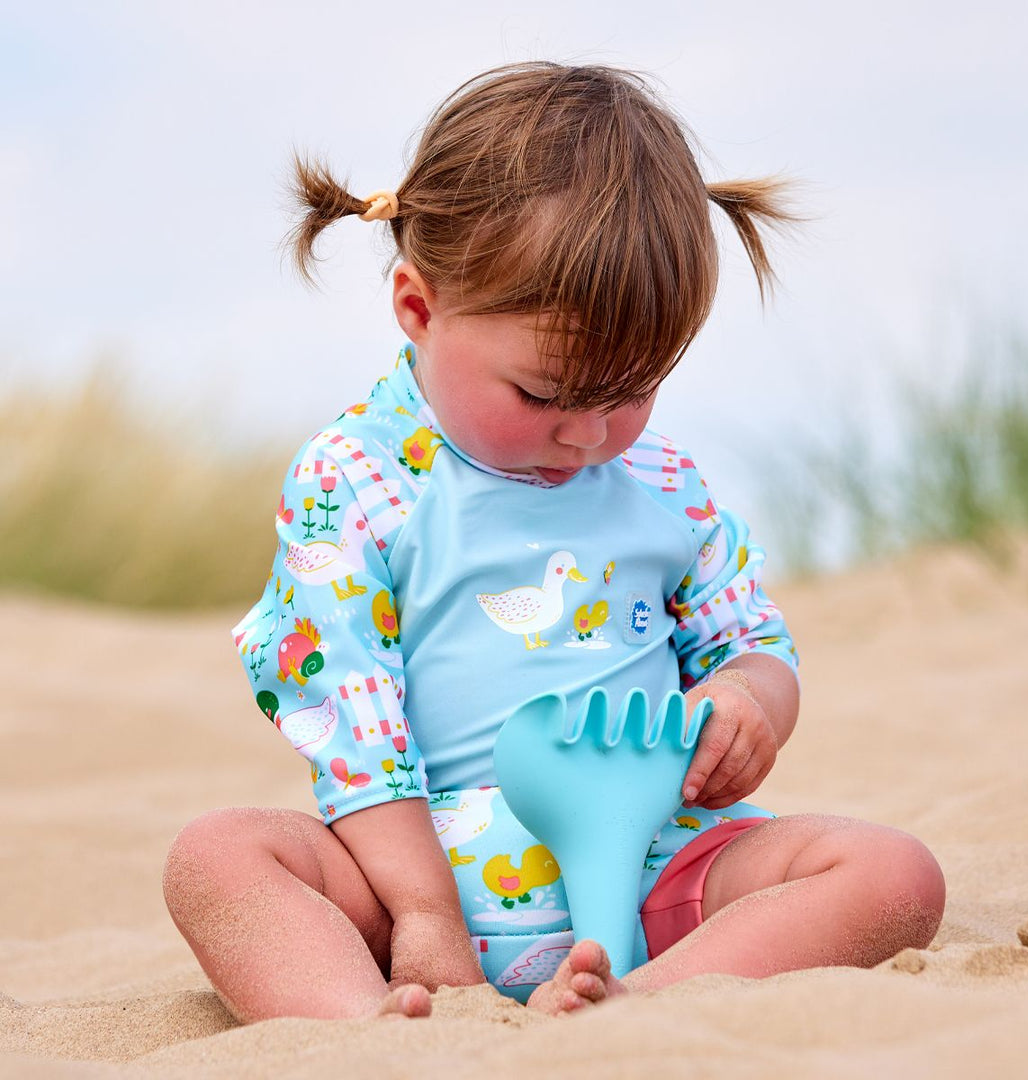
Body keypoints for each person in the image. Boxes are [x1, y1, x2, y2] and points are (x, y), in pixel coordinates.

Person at [162, 62, 945, 1022]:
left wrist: (747, 704)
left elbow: (750, 641)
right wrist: (422, 908)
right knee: (219, 858)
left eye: (634, 390)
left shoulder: (658, 480)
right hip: (422, 868)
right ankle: (363, 1032)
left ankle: (633, 1001)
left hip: (656, 860)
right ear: (418, 307)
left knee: (891, 873)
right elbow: (350, 727)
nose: (590, 434)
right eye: (543, 394)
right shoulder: (357, 481)